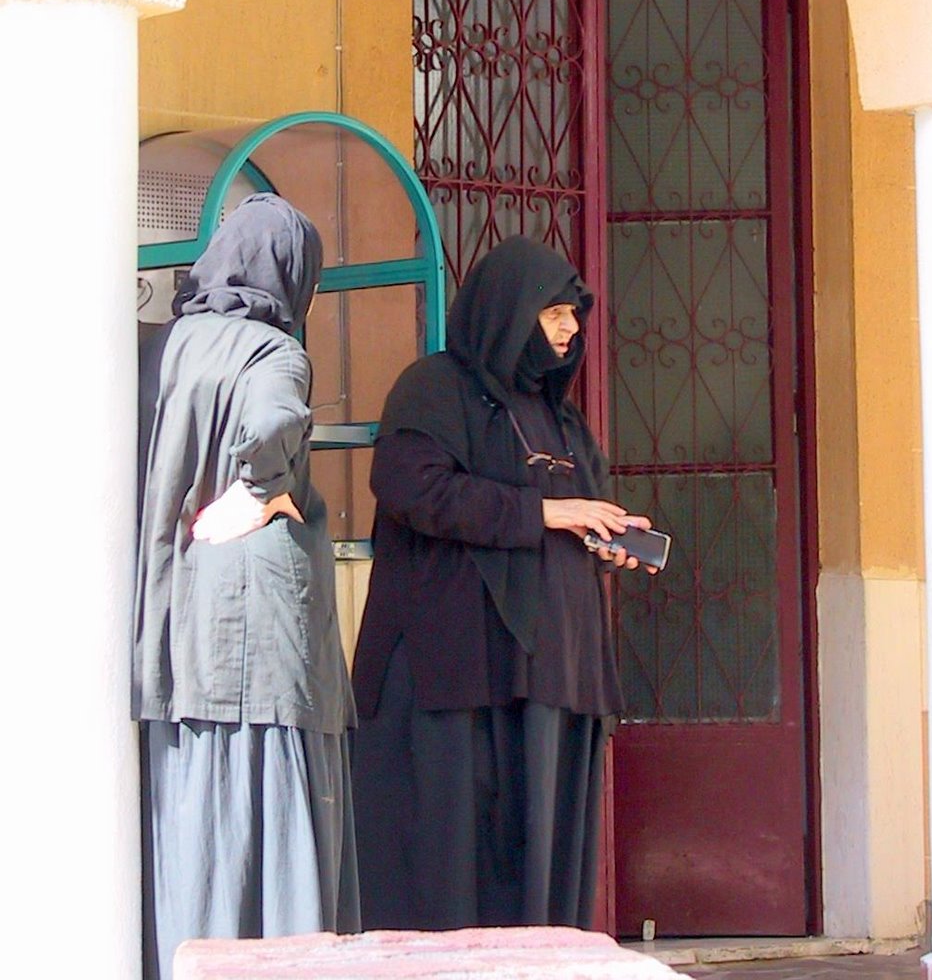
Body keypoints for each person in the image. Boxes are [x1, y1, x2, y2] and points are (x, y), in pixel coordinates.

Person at [350, 234, 656, 931]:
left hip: (551, 679)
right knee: (447, 867)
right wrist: (545, 511)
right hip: (455, 678)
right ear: (509, 310)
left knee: (538, 879)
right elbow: (412, 490)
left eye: (573, 315)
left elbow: (571, 519)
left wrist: (604, 541)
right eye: (554, 313)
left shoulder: (561, 417)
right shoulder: (434, 388)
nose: (569, 329)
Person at [133, 193, 359, 980]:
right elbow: (270, 424)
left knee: (196, 813)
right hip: (260, 621)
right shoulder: (273, 352)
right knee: (274, 804)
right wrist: (261, 490)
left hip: (178, 619)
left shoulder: (160, 348)